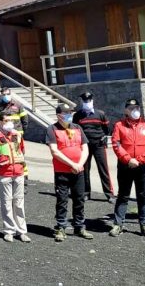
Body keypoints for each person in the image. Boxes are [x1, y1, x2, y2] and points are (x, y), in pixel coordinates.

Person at [109, 99, 145, 238]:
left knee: (142, 195)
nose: (134, 110)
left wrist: (139, 160)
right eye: (131, 108)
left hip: (142, 166)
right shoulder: (119, 125)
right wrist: (128, 159)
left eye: (136, 107)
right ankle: (118, 224)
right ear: (126, 110)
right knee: (123, 195)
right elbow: (116, 144)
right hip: (126, 165)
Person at [46, 103, 93, 242]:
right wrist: (72, 164)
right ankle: (61, 227)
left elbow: (85, 148)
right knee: (62, 200)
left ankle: (79, 226)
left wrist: (79, 164)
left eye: (70, 113)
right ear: (58, 115)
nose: (69, 115)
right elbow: (55, 151)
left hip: (78, 170)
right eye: (66, 113)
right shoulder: (52, 129)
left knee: (79, 199)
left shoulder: (77, 128)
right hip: (62, 171)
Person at [0, 110, 29, 243]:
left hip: (18, 172)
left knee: (19, 203)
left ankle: (21, 231)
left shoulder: (17, 134)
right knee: (6, 203)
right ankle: (9, 231)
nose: (10, 123)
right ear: (0, 122)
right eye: (7, 121)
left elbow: (22, 149)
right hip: (4, 173)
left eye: (11, 121)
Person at [72, 91, 114, 202]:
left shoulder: (100, 114)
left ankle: (109, 194)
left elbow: (107, 129)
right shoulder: (77, 115)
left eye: (89, 100)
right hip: (84, 146)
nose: (87, 102)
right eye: (85, 101)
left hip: (99, 145)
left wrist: (103, 138)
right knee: (85, 170)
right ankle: (86, 193)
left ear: (92, 100)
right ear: (82, 101)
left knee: (103, 169)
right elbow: (75, 130)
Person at [0, 87, 30, 190]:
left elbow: (25, 119)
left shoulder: (18, 105)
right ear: (1, 95)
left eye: (7, 94)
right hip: (5, 136)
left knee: (20, 158)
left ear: (11, 93)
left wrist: (21, 132)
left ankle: (24, 182)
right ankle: (9, 180)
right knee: (6, 157)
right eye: (3, 94)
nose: (6, 96)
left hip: (16, 136)